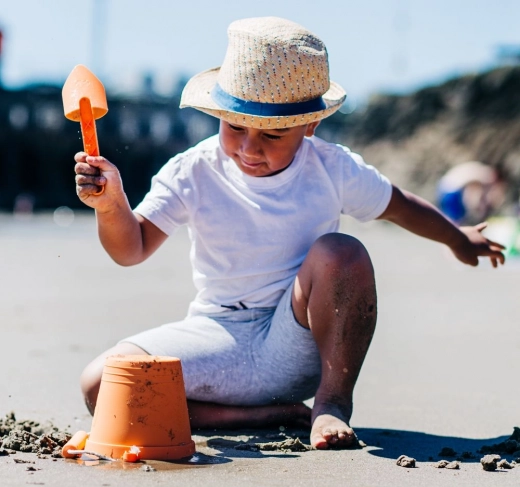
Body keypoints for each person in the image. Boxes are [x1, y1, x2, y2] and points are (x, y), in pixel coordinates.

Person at [75, 17, 505, 450]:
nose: (249, 149)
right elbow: (131, 249)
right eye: (235, 127)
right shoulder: (193, 170)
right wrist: (112, 205)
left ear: (309, 125)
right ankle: (262, 416)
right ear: (219, 114)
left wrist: (457, 238)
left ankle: (332, 404)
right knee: (101, 384)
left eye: (273, 134)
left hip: (296, 344)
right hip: (215, 337)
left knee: (342, 251)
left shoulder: (332, 168)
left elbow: (400, 206)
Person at [437, 161, 507, 225]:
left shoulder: (481, 169)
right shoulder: (486, 176)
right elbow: (478, 194)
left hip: (445, 186)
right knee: (455, 220)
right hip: (451, 190)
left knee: (454, 218)